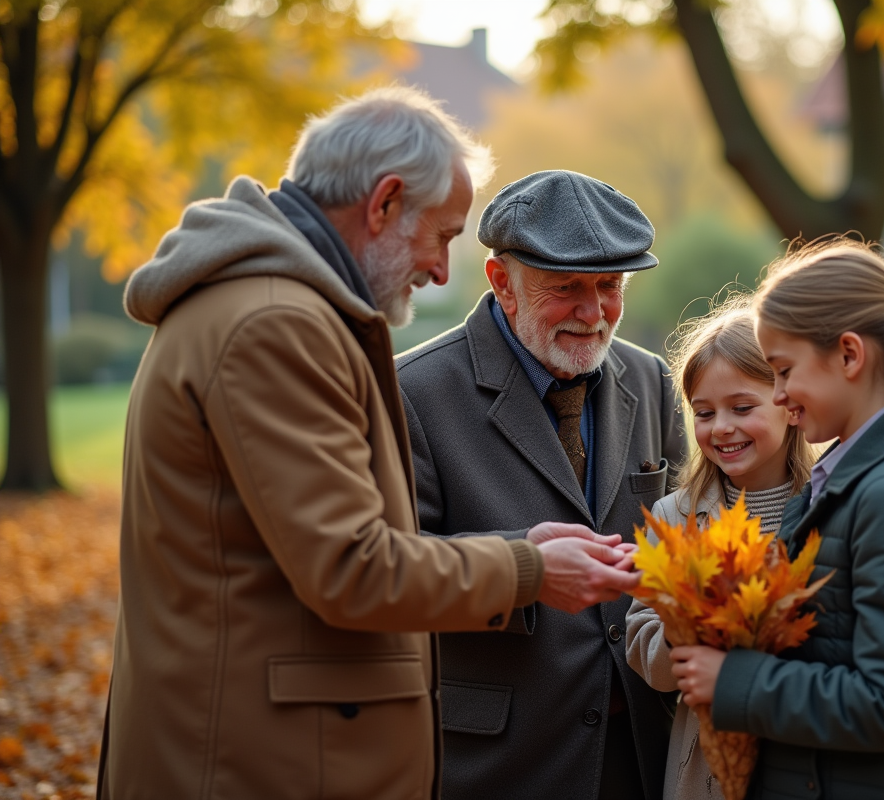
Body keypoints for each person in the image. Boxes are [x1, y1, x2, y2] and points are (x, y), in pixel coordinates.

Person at [99, 88, 641, 800]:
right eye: (443, 235)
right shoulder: (273, 326)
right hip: (256, 763)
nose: (443, 271)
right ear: (384, 204)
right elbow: (351, 567)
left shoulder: (272, 309)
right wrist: (529, 567)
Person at [669, 237, 884, 800]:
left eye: (784, 371)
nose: (779, 395)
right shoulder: (845, 482)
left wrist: (733, 681)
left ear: (850, 356)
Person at [394, 169, 689, 800]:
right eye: (566, 289)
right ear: (501, 282)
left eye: (610, 286)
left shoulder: (652, 380)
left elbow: (695, 530)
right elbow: (389, 578)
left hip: (645, 755)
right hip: (498, 765)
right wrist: (526, 568)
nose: (593, 313)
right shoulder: (410, 394)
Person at [625, 300, 815, 800]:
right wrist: (686, 627)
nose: (721, 428)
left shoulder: (828, 508)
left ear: (789, 402)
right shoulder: (674, 518)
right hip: (706, 769)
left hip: (804, 755)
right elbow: (642, 642)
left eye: (742, 408)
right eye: (704, 414)